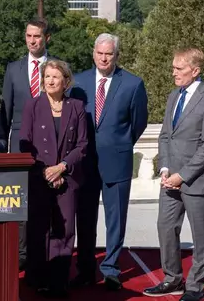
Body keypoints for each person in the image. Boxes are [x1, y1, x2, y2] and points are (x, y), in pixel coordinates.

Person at [143, 48, 204, 301]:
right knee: (166, 228)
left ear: (195, 70)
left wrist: (183, 175)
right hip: (170, 178)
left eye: (179, 68)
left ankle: (195, 287)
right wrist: (166, 168)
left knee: (201, 236)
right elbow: (165, 135)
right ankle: (172, 279)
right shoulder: (173, 96)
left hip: (198, 180)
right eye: (173, 67)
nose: (173, 72)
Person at [70, 33, 148, 291]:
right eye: (100, 53)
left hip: (117, 161)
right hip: (85, 163)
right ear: (93, 53)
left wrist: (119, 145)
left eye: (109, 54)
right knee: (85, 218)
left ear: (117, 55)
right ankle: (84, 269)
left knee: (115, 218)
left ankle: (112, 268)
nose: (104, 58)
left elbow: (138, 123)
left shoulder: (133, 84)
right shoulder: (78, 83)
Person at [19, 60, 88, 298]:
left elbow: (82, 144)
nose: (50, 81)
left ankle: (60, 280)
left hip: (67, 178)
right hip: (39, 178)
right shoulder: (33, 105)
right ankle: (39, 278)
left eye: (55, 77)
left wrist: (62, 167)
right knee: (39, 230)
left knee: (65, 230)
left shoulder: (77, 107)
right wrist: (46, 172)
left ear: (66, 81)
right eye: (47, 76)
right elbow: (24, 143)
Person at [1, 18, 54, 270]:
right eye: (28, 36)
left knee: (46, 199)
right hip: (19, 143)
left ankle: (45, 251)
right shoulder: (13, 69)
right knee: (19, 200)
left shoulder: (56, 68)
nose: (32, 41)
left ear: (47, 38)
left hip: (50, 143)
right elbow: (7, 112)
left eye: (37, 36)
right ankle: (21, 253)